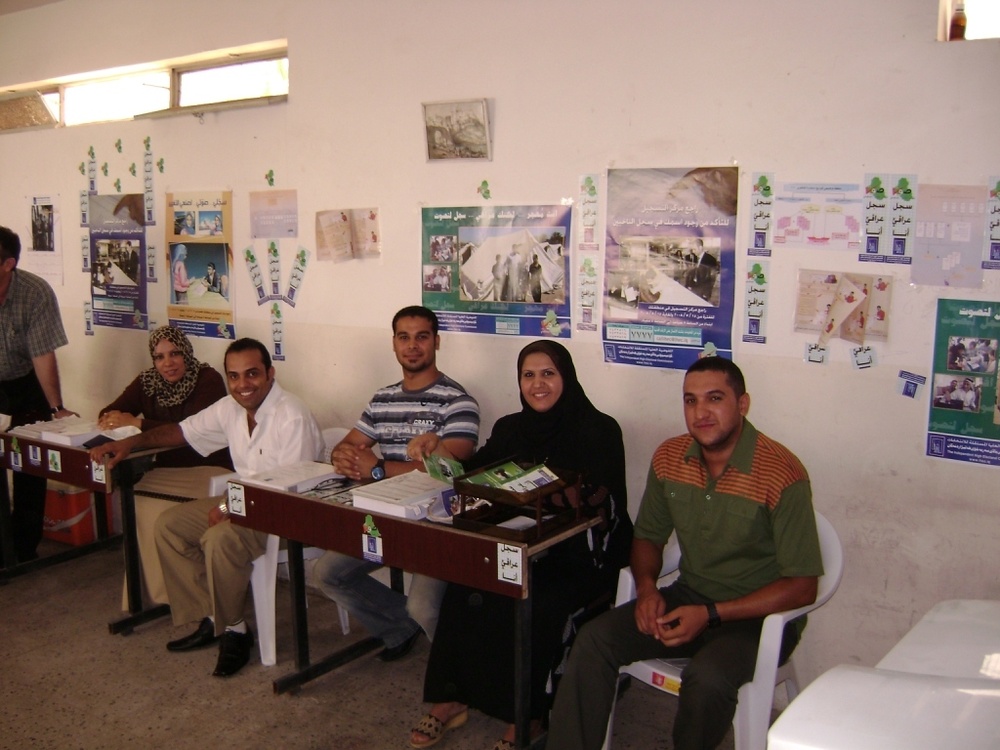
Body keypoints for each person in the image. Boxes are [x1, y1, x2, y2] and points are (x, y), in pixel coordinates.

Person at [546, 357, 823, 750]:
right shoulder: (670, 458)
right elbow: (647, 539)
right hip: (689, 597)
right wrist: (647, 590)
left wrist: (710, 615)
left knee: (708, 679)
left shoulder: (781, 472)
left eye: (714, 399)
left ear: (742, 404)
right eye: (690, 401)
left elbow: (802, 588)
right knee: (593, 640)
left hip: (759, 618)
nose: (700, 412)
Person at [406, 340, 633, 750]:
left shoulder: (598, 429)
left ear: (566, 376)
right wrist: (438, 451)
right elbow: (474, 472)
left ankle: (528, 716)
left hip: (577, 553)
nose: (537, 384)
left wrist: (542, 494)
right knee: (468, 585)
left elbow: (602, 502)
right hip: (516, 543)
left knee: (537, 601)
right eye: (528, 375)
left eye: (548, 373)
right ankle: (454, 695)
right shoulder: (511, 428)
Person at [89, 338, 323, 677]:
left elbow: (285, 488)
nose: (243, 385)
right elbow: (181, 432)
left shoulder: (291, 415)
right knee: (170, 525)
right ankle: (222, 620)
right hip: (246, 500)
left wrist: (228, 506)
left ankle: (233, 632)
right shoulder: (231, 407)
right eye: (234, 376)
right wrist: (131, 442)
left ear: (270, 374)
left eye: (252, 374)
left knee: (220, 539)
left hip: (285, 513)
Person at [313, 306, 480, 661]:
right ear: (394, 344)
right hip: (383, 519)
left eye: (422, 337)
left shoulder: (459, 401)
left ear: (437, 341)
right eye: (404, 337)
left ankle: (460, 678)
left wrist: (376, 469)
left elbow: (450, 469)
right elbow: (349, 445)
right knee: (326, 573)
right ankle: (397, 627)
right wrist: (342, 457)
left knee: (424, 607)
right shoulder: (382, 398)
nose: (413, 345)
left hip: (433, 525)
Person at [98, 326, 233, 605]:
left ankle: (185, 594)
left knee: (159, 510)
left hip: (209, 467)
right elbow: (109, 411)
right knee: (136, 502)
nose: (167, 363)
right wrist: (112, 419)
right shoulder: (147, 382)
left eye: (175, 354)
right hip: (166, 470)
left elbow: (189, 432)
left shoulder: (208, 380)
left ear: (187, 353)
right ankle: (153, 596)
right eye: (159, 357)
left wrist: (137, 424)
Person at [0, 225, 74, 563]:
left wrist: (56, 407)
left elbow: (43, 355)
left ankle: (23, 548)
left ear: (8, 264)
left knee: (30, 460)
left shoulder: (35, 293)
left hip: (25, 381)